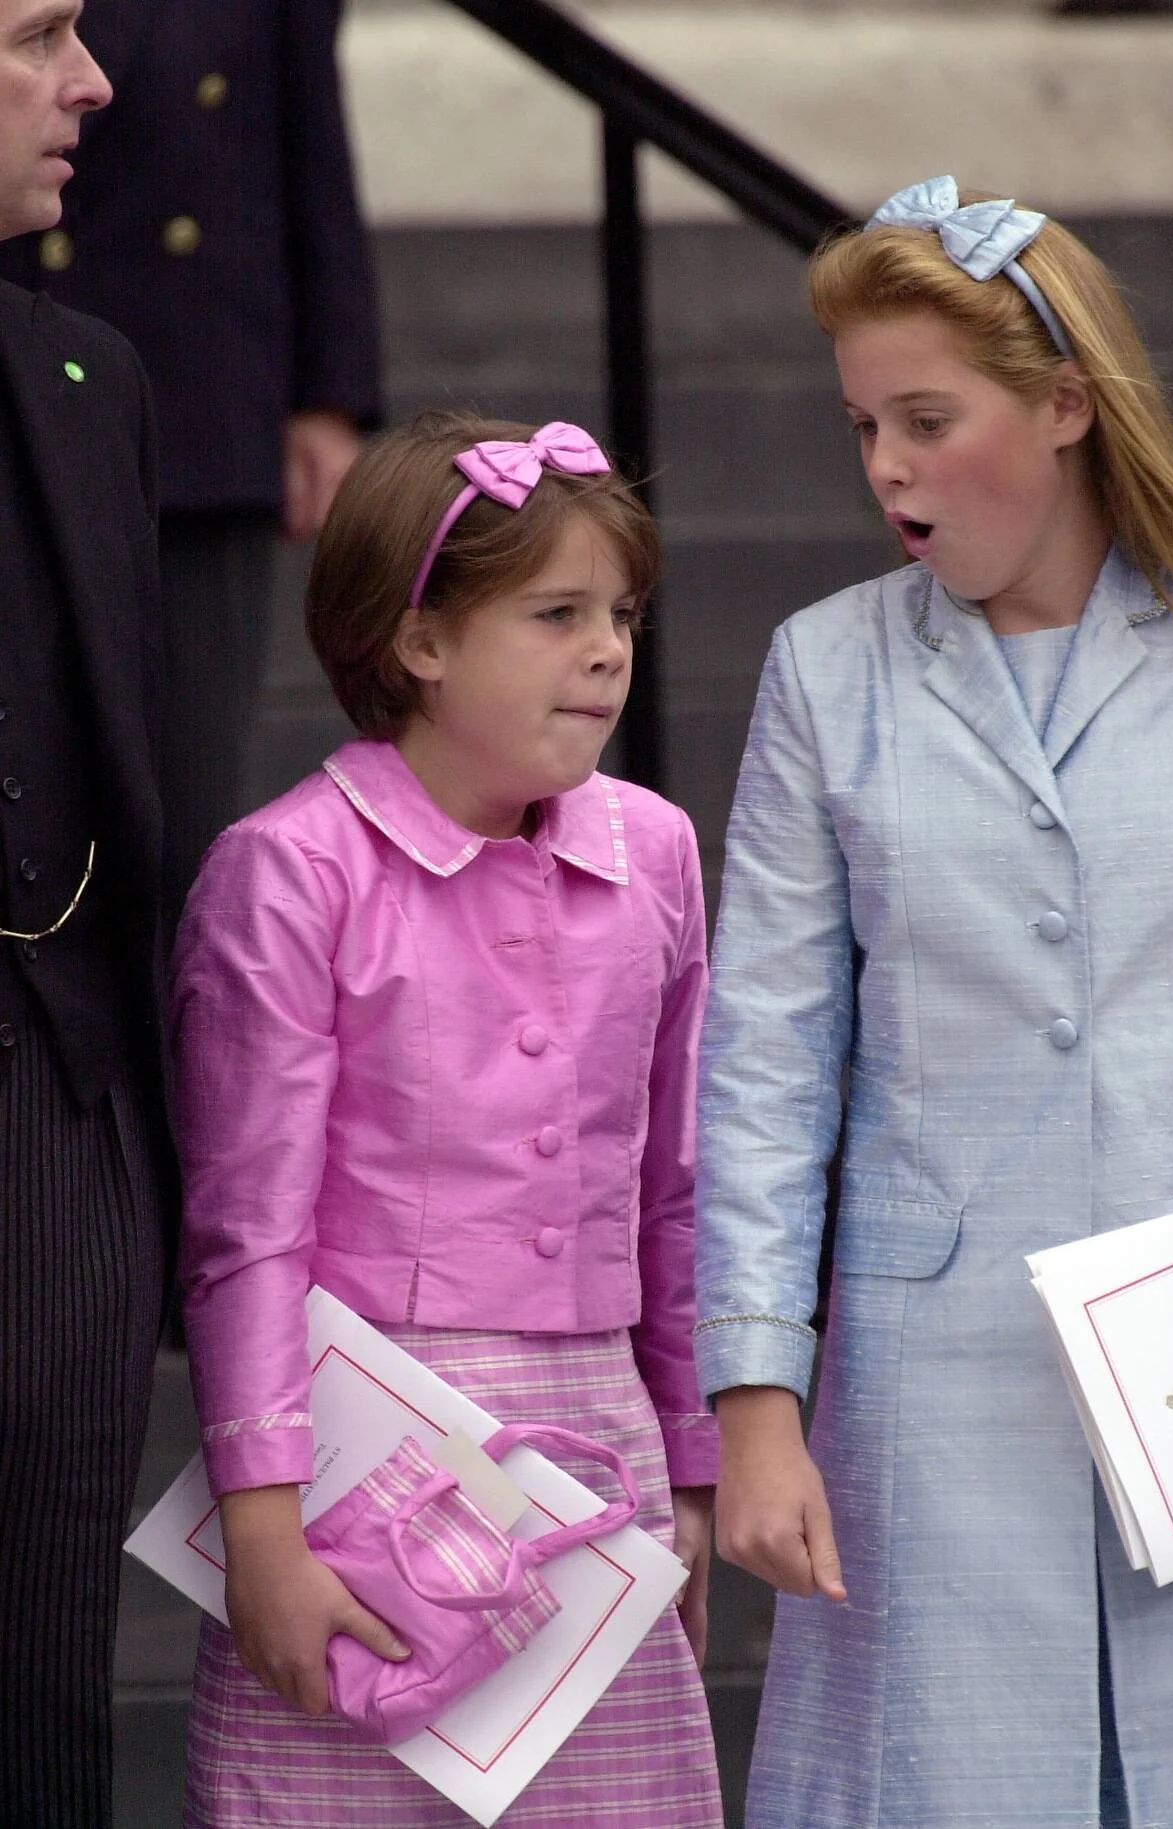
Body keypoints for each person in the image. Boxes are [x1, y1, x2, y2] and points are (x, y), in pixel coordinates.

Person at [695, 175, 1173, 1829]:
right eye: (862, 426)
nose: (889, 467)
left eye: (928, 416)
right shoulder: (824, 667)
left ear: (1066, 402)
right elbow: (767, 1059)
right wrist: (758, 1402)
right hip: (927, 1380)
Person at [171, 413, 724, 1827]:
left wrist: (696, 1468)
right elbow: (247, 1231)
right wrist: (262, 1521)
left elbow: (675, 1189)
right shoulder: (289, 872)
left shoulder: (653, 850)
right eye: (556, 613)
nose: (608, 647)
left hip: (599, 1433)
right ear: (419, 642)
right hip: (362, 1458)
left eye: (623, 613)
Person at [0, 0, 383, 927]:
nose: (89, 77)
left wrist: (328, 392)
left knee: (179, 800)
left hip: (198, 397)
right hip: (27, 349)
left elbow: (308, 140)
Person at [0, 5, 174, 1827]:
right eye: (38, 33)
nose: (94, 80)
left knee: (46, 1697)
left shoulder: (94, 379)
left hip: (57, 1116)